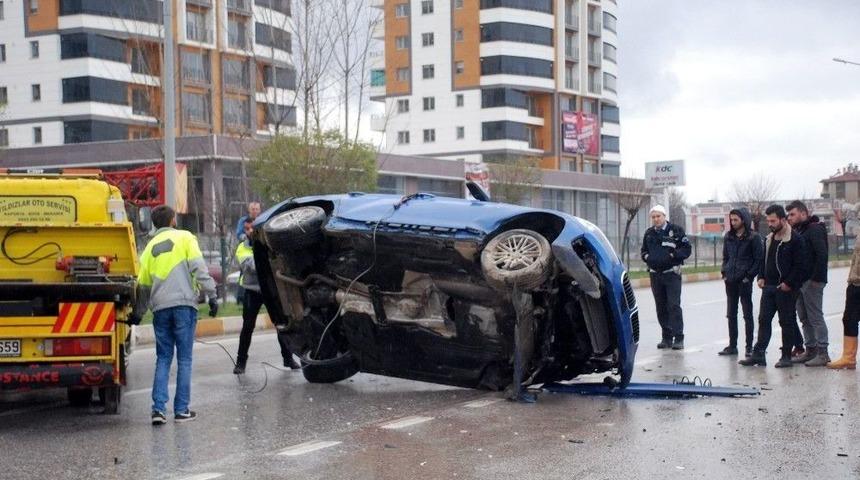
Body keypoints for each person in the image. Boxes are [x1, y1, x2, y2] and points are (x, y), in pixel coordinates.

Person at [131, 205, 218, 425]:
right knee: (185, 358)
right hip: (184, 306)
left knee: (163, 358)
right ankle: (181, 410)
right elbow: (198, 267)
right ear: (172, 220)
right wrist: (212, 295)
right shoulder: (185, 237)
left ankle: (158, 410)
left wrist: (138, 313)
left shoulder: (149, 248)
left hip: (160, 309)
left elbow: (142, 286)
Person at [739, 205, 807, 368]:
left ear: (783, 220)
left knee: (786, 321)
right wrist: (761, 276)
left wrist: (789, 283)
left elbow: (800, 266)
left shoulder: (795, 240)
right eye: (768, 220)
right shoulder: (769, 238)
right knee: (763, 320)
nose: (770, 224)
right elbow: (764, 260)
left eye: (773, 220)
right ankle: (759, 354)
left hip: (786, 289)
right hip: (769, 287)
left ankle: (786, 356)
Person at [233, 218, 301, 374]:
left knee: (281, 324)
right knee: (248, 327)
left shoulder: (269, 245)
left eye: (253, 228)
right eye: (247, 229)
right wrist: (267, 262)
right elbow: (250, 266)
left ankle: (288, 359)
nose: (250, 231)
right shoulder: (242, 248)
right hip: (252, 290)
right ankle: (240, 362)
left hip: (270, 289)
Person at [641, 204, 692, 350]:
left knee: (673, 306)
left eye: (658, 216)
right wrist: (647, 257)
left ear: (664, 216)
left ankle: (679, 337)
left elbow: (687, 249)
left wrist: (673, 255)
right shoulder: (649, 233)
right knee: (661, 307)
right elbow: (643, 250)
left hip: (671, 274)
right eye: (653, 217)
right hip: (655, 275)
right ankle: (666, 337)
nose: (656, 219)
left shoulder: (675, 231)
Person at [786, 200, 830, 366]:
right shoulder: (799, 231)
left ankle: (823, 352)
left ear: (803, 213)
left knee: (815, 316)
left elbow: (821, 255)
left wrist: (814, 279)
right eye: (788, 214)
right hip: (800, 282)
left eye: (792, 214)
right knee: (804, 318)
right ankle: (810, 350)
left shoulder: (814, 229)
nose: (789, 217)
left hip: (812, 282)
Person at [719, 208, 762, 357]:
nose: (733, 222)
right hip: (730, 280)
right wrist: (724, 272)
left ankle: (749, 347)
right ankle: (732, 345)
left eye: (736, 219)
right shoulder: (728, 237)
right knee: (731, 314)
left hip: (744, 281)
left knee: (747, 314)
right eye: (731, 220)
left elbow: (758, 260)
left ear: (743, 220)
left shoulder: (753, 238)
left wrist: (748, 277)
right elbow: (726, 257)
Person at [827, 236, 860, 370]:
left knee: (850, 319)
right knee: (849, 319)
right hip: (855, 282)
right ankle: (849, 358)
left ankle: (849, 358)